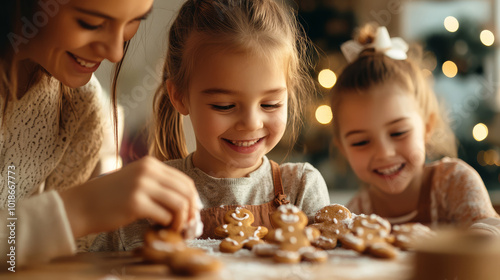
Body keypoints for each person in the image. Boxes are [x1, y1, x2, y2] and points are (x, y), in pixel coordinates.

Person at [88, 0, 330, 249]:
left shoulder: (300, 189)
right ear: (180, 97)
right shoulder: (151, 195)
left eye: (270, 104)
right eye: (224, 106)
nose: (250, 123)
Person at [1, 0, 201, 268]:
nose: (116, 52)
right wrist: (79, 209)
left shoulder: (82, 110)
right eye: (91, 23)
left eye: (134, 20)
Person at [331, 24, 500, 234]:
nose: (385, 153)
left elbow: (492, 237)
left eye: (398, 133)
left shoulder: (455, 183)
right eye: (361, 142)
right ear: (343, 147)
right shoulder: (355, 213)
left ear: (427, 127)